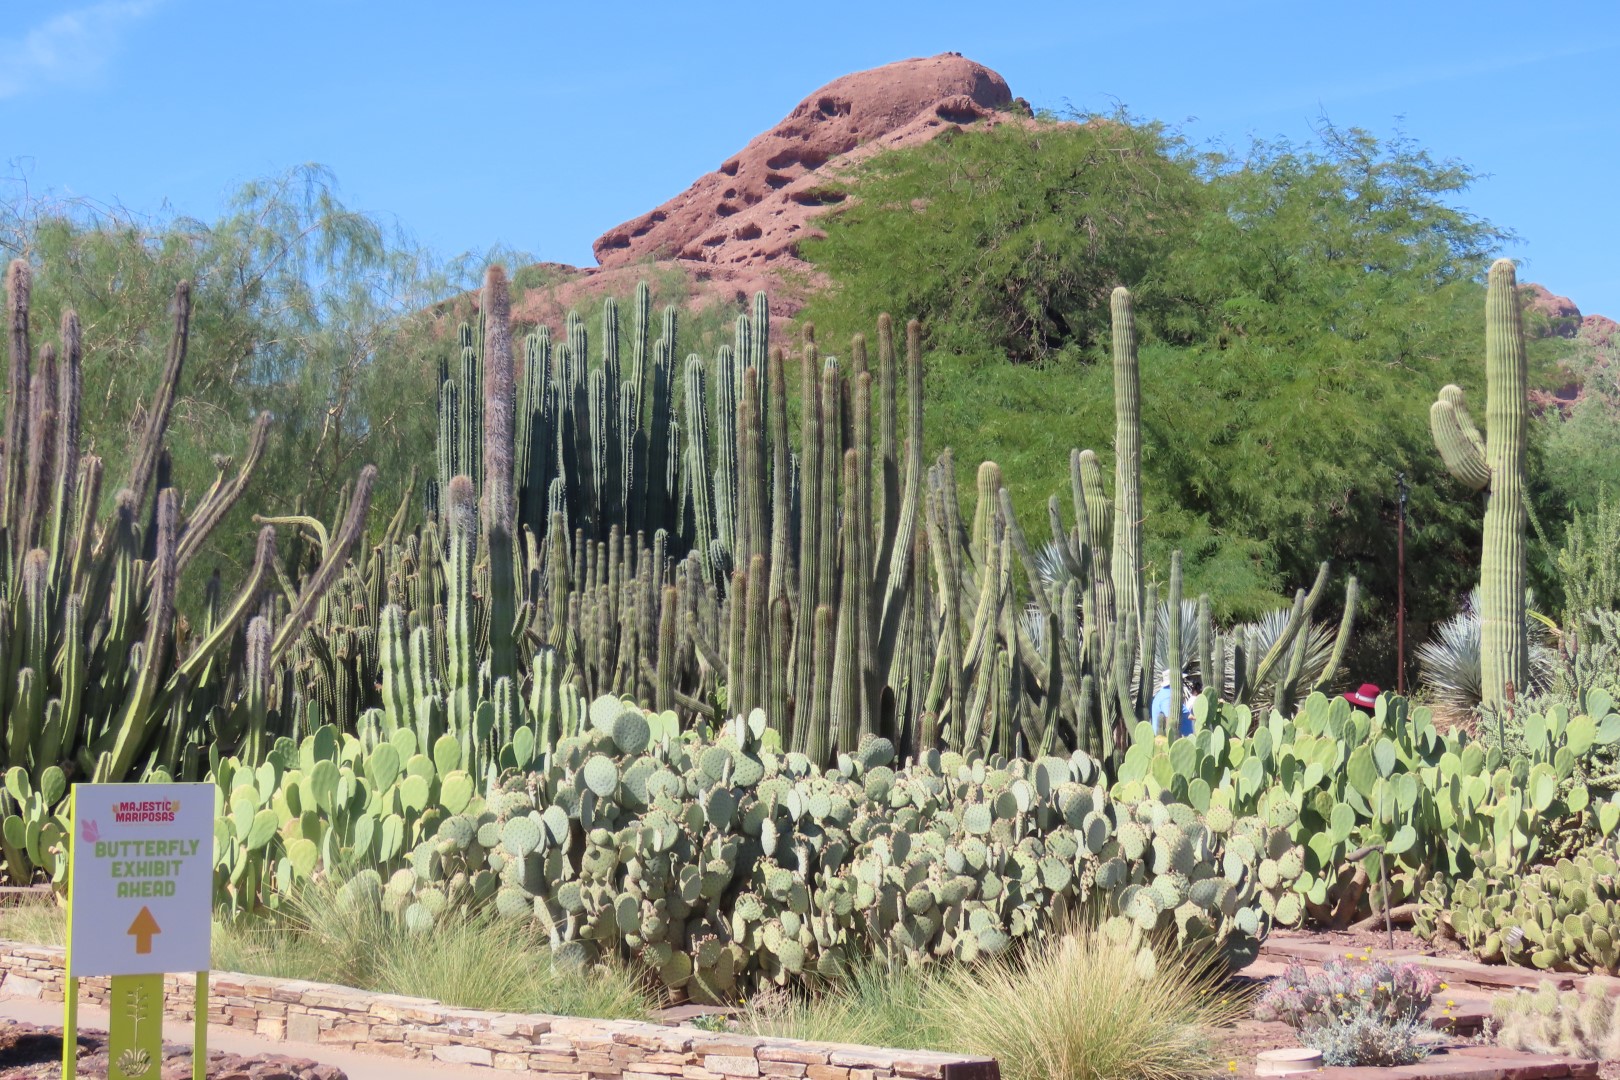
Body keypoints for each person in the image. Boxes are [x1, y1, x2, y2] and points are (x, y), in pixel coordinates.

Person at [1150, 672, 1195, 737]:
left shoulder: (1168, 694)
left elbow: (1186, 714)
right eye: (1180, 679)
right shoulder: (1167, 696)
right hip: (1174, 740)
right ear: (1175, 681)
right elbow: (1170, 719)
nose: (1182, 682)